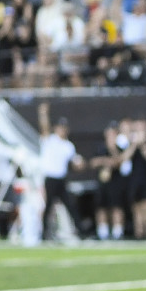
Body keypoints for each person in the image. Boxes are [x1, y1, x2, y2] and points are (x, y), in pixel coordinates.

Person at [36, 103, 85, 241]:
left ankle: (80, 230)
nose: (62, 130)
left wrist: (80, 164)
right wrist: (43, 114)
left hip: (61, 179)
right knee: (48, 207)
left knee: (70, 205)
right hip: (50, 178)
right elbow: (44, 128)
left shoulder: (69, 146)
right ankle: (44, 233)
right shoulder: (50, 140)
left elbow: (76, 163)